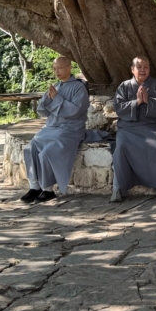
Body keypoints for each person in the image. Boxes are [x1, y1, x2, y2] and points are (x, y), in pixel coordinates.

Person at [21, 56, 102, 203]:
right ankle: (35, 187)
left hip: (70, 130)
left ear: (69, 67)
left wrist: (57, 100)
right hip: (51, 129)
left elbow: (75, 111)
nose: (56, 71)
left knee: (47, 152)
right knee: (30, 148)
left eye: (59, 68)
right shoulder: (56, 87)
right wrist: (47, 100)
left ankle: (48, 189)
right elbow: (42, 112)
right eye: (54, 68)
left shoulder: (79, 87)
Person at [110, 57, 156, 202]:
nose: (143, 69)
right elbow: (119, 107)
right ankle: (117, 188)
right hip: (129, 129)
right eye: (139, 67)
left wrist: (148, 101)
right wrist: (137, 102)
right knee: (121, 147)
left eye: (146, 67)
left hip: (153, 127)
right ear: (132, 69)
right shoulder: (124, 87)